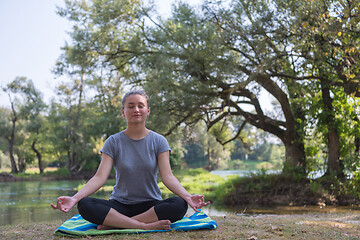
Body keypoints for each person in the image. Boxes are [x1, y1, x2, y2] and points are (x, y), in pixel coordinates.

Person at [51, 90, 210, 231]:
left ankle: (116, 224)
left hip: (151, 205)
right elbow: (99, 177)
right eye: (131, 106)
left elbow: (168, 177)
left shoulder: (159, 141)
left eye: (140, 106)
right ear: (123, 111)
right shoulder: (113, 141)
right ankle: (143, 226)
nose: (136, 110)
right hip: (120, 205)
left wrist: (188, 197)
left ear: (148, 111)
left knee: (179, 205)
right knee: (85, 205)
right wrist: (74, 198)